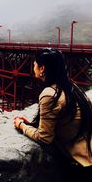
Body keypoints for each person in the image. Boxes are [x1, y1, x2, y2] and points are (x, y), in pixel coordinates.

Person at [13, 48, 92, 180]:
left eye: (34, 64)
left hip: (82, 164)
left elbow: (45, 138)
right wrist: (33, 124)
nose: (33, 68)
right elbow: (62, 120)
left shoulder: (50, 94)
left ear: (42, 68)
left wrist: (21, 125)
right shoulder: (72, 87)